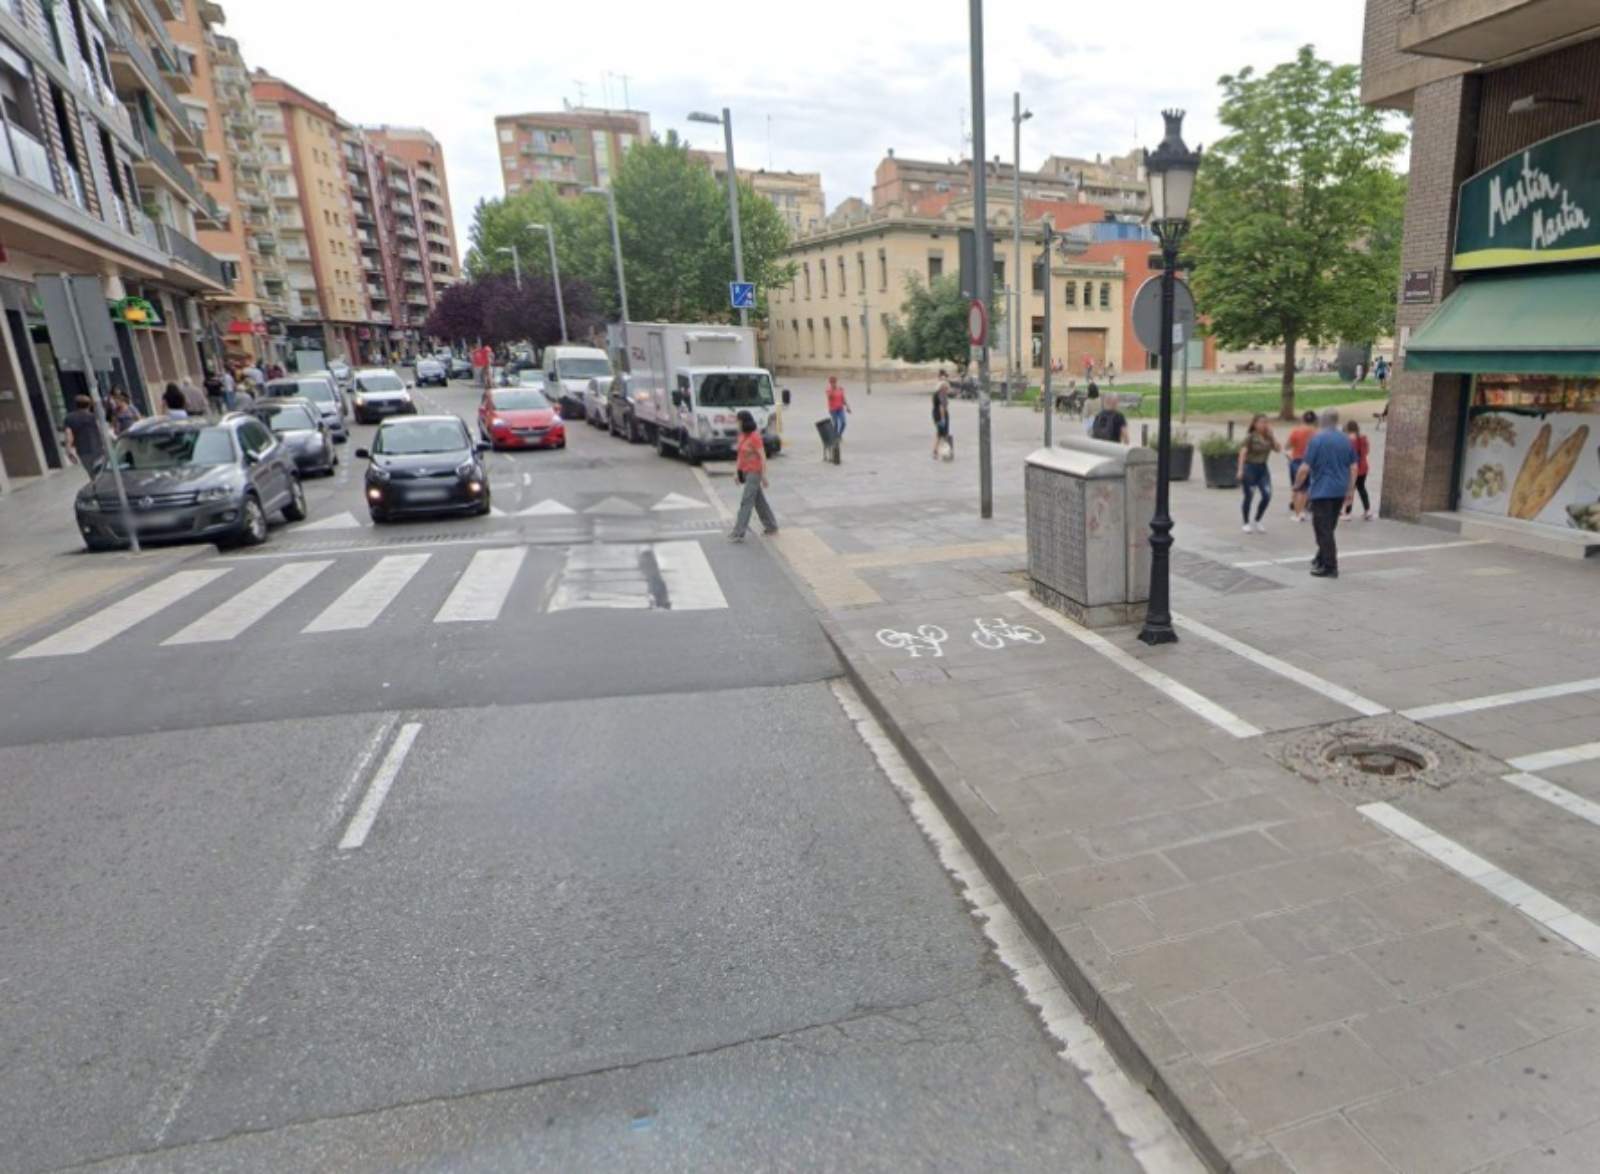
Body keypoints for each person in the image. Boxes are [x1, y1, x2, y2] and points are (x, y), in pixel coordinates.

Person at [1295, 408, 1357, 579]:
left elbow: (1305, 468)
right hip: (1339, 490)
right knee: (1329, 527)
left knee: (1323, 530)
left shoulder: (1317, 440)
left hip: (1322, 490)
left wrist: (1297, 485)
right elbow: (1353, 467)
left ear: (1323, 420)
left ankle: (1330, 566)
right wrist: (1350, 490)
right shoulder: (1346, 440)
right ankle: (1320, 558)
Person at [728, 410, 778, 542]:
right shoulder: (742, 436)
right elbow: (740, 456)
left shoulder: (755, 437)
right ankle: (771, 526)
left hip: (754, 473)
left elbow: (762, 456)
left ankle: (739, 532)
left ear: (743, 422)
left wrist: (764, 476)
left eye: (738, 421)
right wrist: (736, 472)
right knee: (759, 501)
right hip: (745, 472)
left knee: (746, 501)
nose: (736, 423)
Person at [1236, 413, 1280, 533]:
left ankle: (1257, 519)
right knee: (1249, 496)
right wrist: (1240, 470)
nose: (1264, 425)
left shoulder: (1268, 437)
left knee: (1267, 495)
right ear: (1255, 424)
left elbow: (1278, 449)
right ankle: (1246, 522)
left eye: (1266, 422)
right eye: (1261, 422)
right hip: (1250, 468)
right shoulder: (1250, 437)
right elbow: (1242, 453)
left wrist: (1272, 436)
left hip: (1263, 469)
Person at [61, 394, 106, 476]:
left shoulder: (69, 418)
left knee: (92, 475)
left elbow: (69, 435)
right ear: (89, 405)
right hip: (98, 449)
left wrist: (68, 451)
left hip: (83, 452)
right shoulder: (93, 416)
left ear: (76, 405)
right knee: (102, 474)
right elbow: (102, 431)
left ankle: (95, 486)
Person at [1285, 409, 1317, 521]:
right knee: (1305, 489)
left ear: (1303, 419)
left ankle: (1297, 513)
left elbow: (1287, 446)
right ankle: (1302, 511)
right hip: (1310, 462)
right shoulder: (1316, 433)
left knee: (1296, 487)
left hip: (1296, 460)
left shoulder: (1296, 431)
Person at [1344, 419, 1374, 520]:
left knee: (1350, 489)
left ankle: (1347, 513)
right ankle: (1367, 510)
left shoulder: (1349, 440)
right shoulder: (1363, 438)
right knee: (1362, 488)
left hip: (1353, 468)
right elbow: (1367, 451)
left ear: (1347, 428)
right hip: (1364, 467)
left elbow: (1347, 456)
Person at [931, 379, 952, 460]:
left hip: (935, 415)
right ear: (943, 388)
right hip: (941, 415)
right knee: (943, 434)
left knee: (939, 434)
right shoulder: (941, 395)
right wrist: (943, 418)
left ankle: (935, 451)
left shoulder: (936, 394)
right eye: (946, 388)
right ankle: (944, 451)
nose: (947, 390)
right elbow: (941, 407)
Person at [825, 375, 850, 440]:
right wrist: (832, 390)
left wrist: (847, 407)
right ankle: (835, 436)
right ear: (830, 383)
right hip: (833, 410)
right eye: (832, 382)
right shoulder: (828, 390)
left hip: (840, 409)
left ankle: (839, 435)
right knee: (835, 423)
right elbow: (829, 398)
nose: (833, 383)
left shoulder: (840, 389)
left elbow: (843, 398)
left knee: (843, 423)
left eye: (834, 382)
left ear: (836, 382)